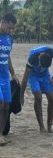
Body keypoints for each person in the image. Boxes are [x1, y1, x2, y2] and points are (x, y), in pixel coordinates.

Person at [21, 45, 53, 133]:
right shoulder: (33, 57)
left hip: (45, 75)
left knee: (51, 97)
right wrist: (21, 96)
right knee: (38, 97)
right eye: (41, 66)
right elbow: (25, 78)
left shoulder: (52, 52)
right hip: (33, 75)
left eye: (45, 67)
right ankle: (41, 126)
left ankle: (49, 126)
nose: (42, 68)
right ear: (39, 58)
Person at [0, 13, 18, 146]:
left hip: (5, 76)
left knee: (6, 105)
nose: (10, 31)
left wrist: (13, 74)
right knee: (0, 102)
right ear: (3, 22)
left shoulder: (9, 38)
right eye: (9, 27)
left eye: (12, 29)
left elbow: (8, 56)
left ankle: (1, 135)